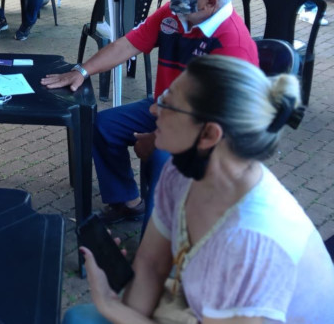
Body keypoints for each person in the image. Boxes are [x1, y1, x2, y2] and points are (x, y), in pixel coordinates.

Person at [63, 54, 334, 324]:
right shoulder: (179, 172)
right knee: (79, 318)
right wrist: (123, 309)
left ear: (208, 135)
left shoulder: (252, 241)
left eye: (168, 104)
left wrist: (111, 306)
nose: (154, 110)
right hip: (201, 309)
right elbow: (151, 266)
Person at [42, 0, 258, 226]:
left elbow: (219, 122)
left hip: (206, 130)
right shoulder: (175, 13)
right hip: (164, 108)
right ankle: (128, 202)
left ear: (211, 1)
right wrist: (81, 71)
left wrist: (157, 139)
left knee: (160, 159)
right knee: (102, 125)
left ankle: (152, 248)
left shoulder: (233, 44)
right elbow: (128, 44)